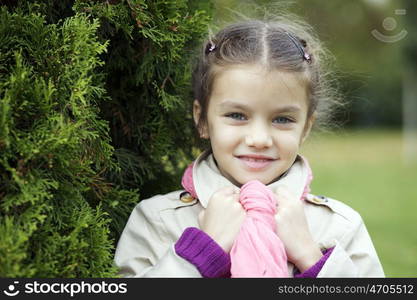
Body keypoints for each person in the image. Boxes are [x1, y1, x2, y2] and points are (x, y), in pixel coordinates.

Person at [113, 17, 385, 278]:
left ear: (305, 128)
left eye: (282, 119)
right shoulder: (157, 222)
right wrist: (199, 254)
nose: (259, 139)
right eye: (237, 116)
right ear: (202, 119)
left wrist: (311, 258)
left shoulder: (340, 227)